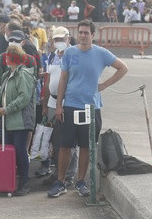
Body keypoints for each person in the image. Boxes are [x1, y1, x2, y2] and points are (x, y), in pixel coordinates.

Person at [47, 20, 128, 198]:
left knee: (86, 146)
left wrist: (104, 85)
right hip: (70, 106)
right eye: (81, 32)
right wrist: (59, 105)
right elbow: (63, 79)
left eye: (86, 33)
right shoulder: (70, 52)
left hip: (91, 107)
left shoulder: (101, 53)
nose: (83, 35)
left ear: (93, 35)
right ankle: (60, 182)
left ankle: (81, 181)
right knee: (65, 146)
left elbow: (123, 68)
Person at [0, 45, 36, 197]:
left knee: (20, 151)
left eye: (8, 56)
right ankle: (10, 181)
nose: (6, 59)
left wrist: (6, 109)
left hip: (19, 121)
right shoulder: (8, 75)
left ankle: (24, 182)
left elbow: (24, 98)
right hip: (8, 120)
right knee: (10, 152)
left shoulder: (23, 75)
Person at [40, 26, 78, 186]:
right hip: (51, 102)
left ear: (68, 39)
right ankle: (58, 173)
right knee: (55, 141)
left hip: (68, 102)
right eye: (56, 40)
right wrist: (44, 103)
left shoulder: (74, 55)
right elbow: (48, 80)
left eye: (62, 39)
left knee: (69, 140)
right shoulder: (51, 56)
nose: (59, 42)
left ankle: (69, 176)